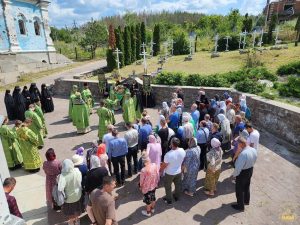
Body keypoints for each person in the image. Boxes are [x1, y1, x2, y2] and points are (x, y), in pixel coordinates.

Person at [231, 137, 257, 211]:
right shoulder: (253, 149)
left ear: (241, 144)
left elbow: (238, 167)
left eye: (238, 145)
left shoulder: (243, 154)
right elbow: (255, 159)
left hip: (242, 173)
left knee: (239, 190)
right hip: (250, 170)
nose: (237, 147)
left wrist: (234, 175)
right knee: (246, 186)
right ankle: (246, 201)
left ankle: (240, 206)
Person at [160, 138, 186, 205]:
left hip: (170, 173)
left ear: (171, 144)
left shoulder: (168, 154)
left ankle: (169, 200)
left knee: (168, 186)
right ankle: (177, 197)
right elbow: (183, 160)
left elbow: (164, 165)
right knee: (178, 185)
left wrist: (160, 170)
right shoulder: (182, 150)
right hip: (178, 171)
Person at [58, 159, 82, 225]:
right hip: (77, 195)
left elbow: (60, 189)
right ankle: (77, 221)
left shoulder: (62, 176)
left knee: (70, 212)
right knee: (77, 209)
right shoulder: (77, 171)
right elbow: (80, 181)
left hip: (68, 199)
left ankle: (71, 222)